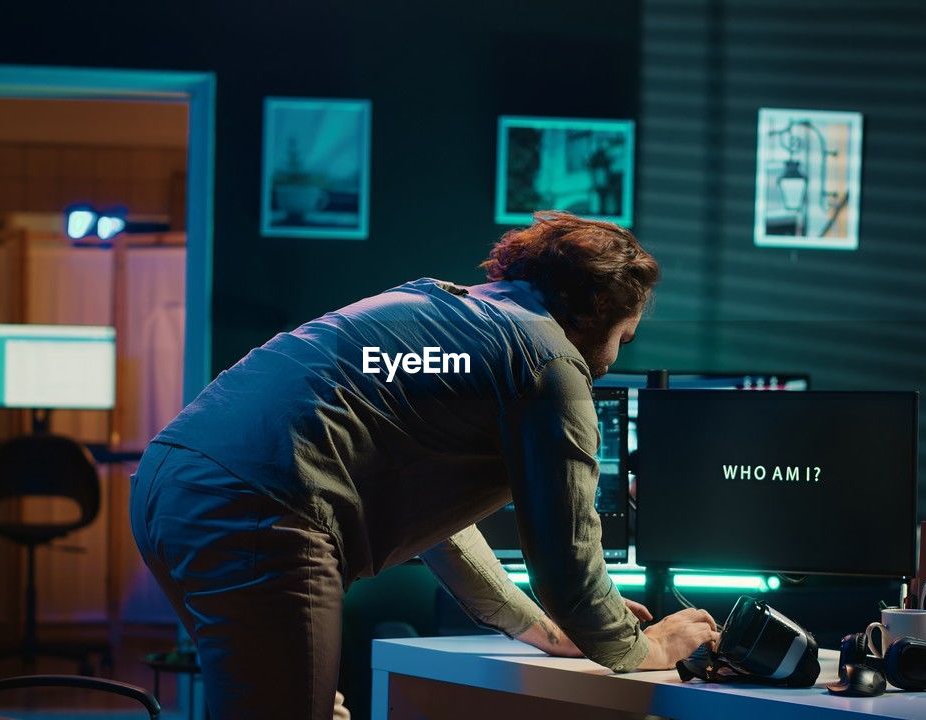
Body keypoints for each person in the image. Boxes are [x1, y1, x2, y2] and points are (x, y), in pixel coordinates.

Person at [129, 211, 720, 719]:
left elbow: (442, 530)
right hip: (263, 509)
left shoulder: (433, 303)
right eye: (625, 336)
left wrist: (539, 630)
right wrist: (649, 647)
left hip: (168, 484)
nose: (615, 359)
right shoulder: (549, 364)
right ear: (595, 313)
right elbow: (568, 563)